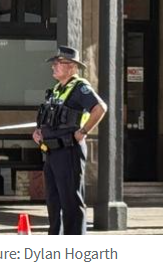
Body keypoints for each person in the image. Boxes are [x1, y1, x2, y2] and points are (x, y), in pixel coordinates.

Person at [32, 45, 108, 235]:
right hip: (51, 152)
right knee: (53, 200)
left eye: (59, 63)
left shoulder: (80, 87)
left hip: (68, 150)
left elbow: (100, 108)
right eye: (54, 63)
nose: (54, 66)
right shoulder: (56, 89)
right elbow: (51, 118)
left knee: (70, 201)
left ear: (72, 66)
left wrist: (83, 131)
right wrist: (39, 132)